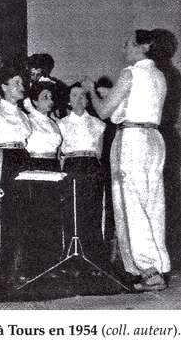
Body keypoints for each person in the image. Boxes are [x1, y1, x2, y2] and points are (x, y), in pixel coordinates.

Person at [82, 29, 170, 291]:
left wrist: (90, 91)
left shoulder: (130, 73)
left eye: (127, 45)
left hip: (132, 140)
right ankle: (158, 267)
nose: (123, 49)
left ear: (143, 47)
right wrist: (107, 92)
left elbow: (104, 112)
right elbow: (126, 107)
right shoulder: (160, 75)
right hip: (154, 139)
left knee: (130, 203)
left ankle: (146, 269)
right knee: (153, 203)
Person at [0, 69, 32, 286]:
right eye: (16, 83)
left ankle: (18, 265)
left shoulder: (23, 115)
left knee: (21, 213)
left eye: (22, 84)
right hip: (3, 160)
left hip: (22, 159)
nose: (21, 87)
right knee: (2, 214)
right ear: (3, 87)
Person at [57, 83, 107, 268]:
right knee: (72, 210)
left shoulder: (98, 124)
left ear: (87, 100)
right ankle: (71, 259)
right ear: (68, 100)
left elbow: (99, 153)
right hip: (71, 166)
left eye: (83, 96)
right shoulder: (61, 124)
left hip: (92, 166)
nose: (79, 99)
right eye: (75, 95)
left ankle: (94, 259)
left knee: (93, 211)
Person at [23, 81, 63, 277]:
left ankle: (50, 264)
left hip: (53, 167)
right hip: (35, 168)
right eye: (45, 97)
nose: (50, 101)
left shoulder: (53, 122)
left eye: (51, 97)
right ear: (34, 101)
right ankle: (33, 266)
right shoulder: (28, 120)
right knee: (35, 216)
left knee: (52, 216)